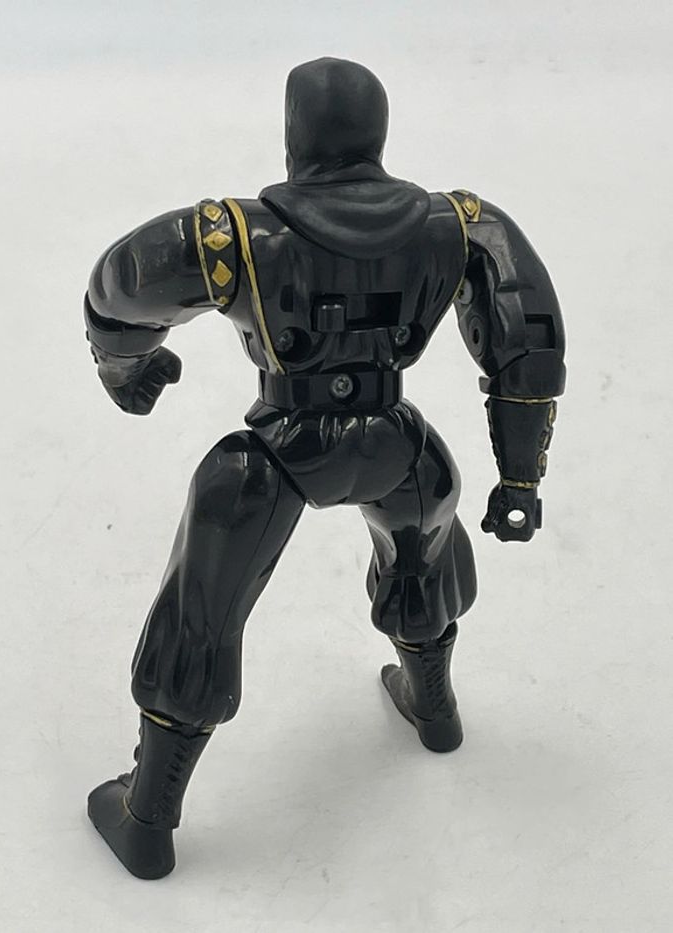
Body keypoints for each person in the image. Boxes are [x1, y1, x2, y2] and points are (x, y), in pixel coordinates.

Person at [84, 57, 566, 879]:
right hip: (395, 442)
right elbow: (529, 343)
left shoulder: (231, 236)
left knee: (202, 613)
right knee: (421, 555)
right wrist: (519, 478)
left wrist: (125, 366)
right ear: (378, 135)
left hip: (278, 450)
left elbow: (118, 287)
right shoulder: (458, 225)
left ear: (293, 137)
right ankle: (435, 709)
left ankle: (148, 813)